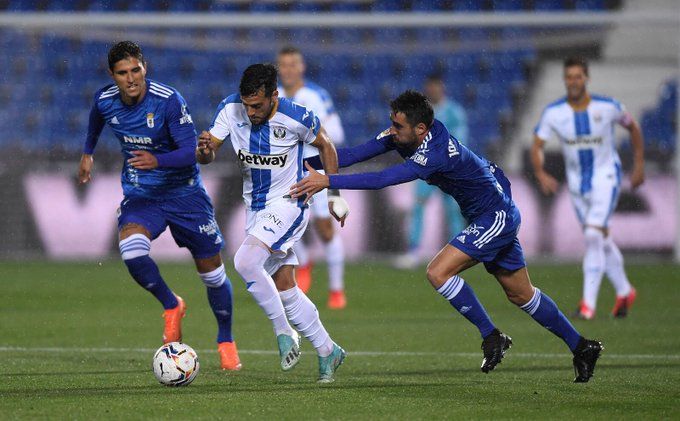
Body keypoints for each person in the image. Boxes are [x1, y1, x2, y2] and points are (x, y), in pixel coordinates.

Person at [292, 90, 603, 383]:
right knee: (521, 294)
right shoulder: (406, 135)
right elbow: (355, 154)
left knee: (437, 271)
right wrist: (298, 163)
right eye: (392, 123)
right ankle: (583, 347)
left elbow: (383, 178)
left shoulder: (434, 152)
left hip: (495, 217)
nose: (392, 130)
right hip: (492, 212)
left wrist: (328, 180)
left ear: (421, 129)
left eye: (398, 126)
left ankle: (491, 335)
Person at [77, 41, 241, 370]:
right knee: (132, 251)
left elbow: (191, 152)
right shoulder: (105, 99)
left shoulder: (168, 100)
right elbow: (96, 119)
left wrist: (158, 160)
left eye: (135, 70)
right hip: (142, 195)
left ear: (144, 67)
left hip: (185, 196)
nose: (131, 78)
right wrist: (87, 153)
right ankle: (172, 304)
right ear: (112, 75)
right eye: (122, 73)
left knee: (212, 274)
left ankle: (225, 340)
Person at [197, 63, 346, 383]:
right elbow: (208, 153)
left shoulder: (296, 116)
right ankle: (327, 350)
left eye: (258, 105)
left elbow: (326, 145)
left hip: (290, 202)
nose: (250, 112)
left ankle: (284, 333)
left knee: (245, 260)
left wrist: (332, 192)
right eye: (247, 104)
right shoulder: (230, 109)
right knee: (285, 287)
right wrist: (204, 150)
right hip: (256, 208)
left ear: (274, 96)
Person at [531, 57, 644, 320]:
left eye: (577, 76)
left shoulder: (608, 107)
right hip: (577, 185)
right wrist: (539, 171)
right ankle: (625, 290)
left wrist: (638, 164)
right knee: (601, 239)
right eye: (568, 77)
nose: (573, 82)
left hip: (606, 177)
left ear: (587, 78)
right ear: (564, 80)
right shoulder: (554, 113)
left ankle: (587, 306)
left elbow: (633, 127)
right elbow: (537, 145)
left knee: (593, 235)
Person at [277, 46, 348, 309]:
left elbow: (336, 134)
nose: (288, 69)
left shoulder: (316, 96)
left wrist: (308, 133)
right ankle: (303, 264)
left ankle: (336, 289)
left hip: (313, 170)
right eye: (283, 65)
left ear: (302, 67)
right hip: (283, 173)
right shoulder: (274, 97)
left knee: (325, 229)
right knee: (286, 230)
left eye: (293, 64)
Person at [395, 74, 469, 269]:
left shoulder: (454, 111)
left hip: (448, 170)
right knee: (418, 206)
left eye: (435, 87)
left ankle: (459, 255)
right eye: (430, 87)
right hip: (425, 169)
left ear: (441, 87)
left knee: (453, 211)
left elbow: (460, 141)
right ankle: (413, 252)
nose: (433, 90)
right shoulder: (421, 114)